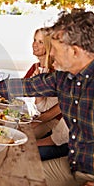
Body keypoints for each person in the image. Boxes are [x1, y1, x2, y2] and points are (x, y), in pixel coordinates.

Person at [0, 9, 94, 186]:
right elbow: (28, 85)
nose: (51, 56)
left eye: (55, 51)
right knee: (8, 177)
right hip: (74, 165)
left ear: (75, 51)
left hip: (93, 177)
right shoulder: (65, 77)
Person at [26, 27, 69, 161]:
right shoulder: (36, 68)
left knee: (22, 138)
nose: (34, 44)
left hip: (55, 123)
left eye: (40, 42)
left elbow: (57, 109)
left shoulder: (58, 71)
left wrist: (37, 121)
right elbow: (20, 89)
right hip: (45, 117)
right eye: (34, 40)